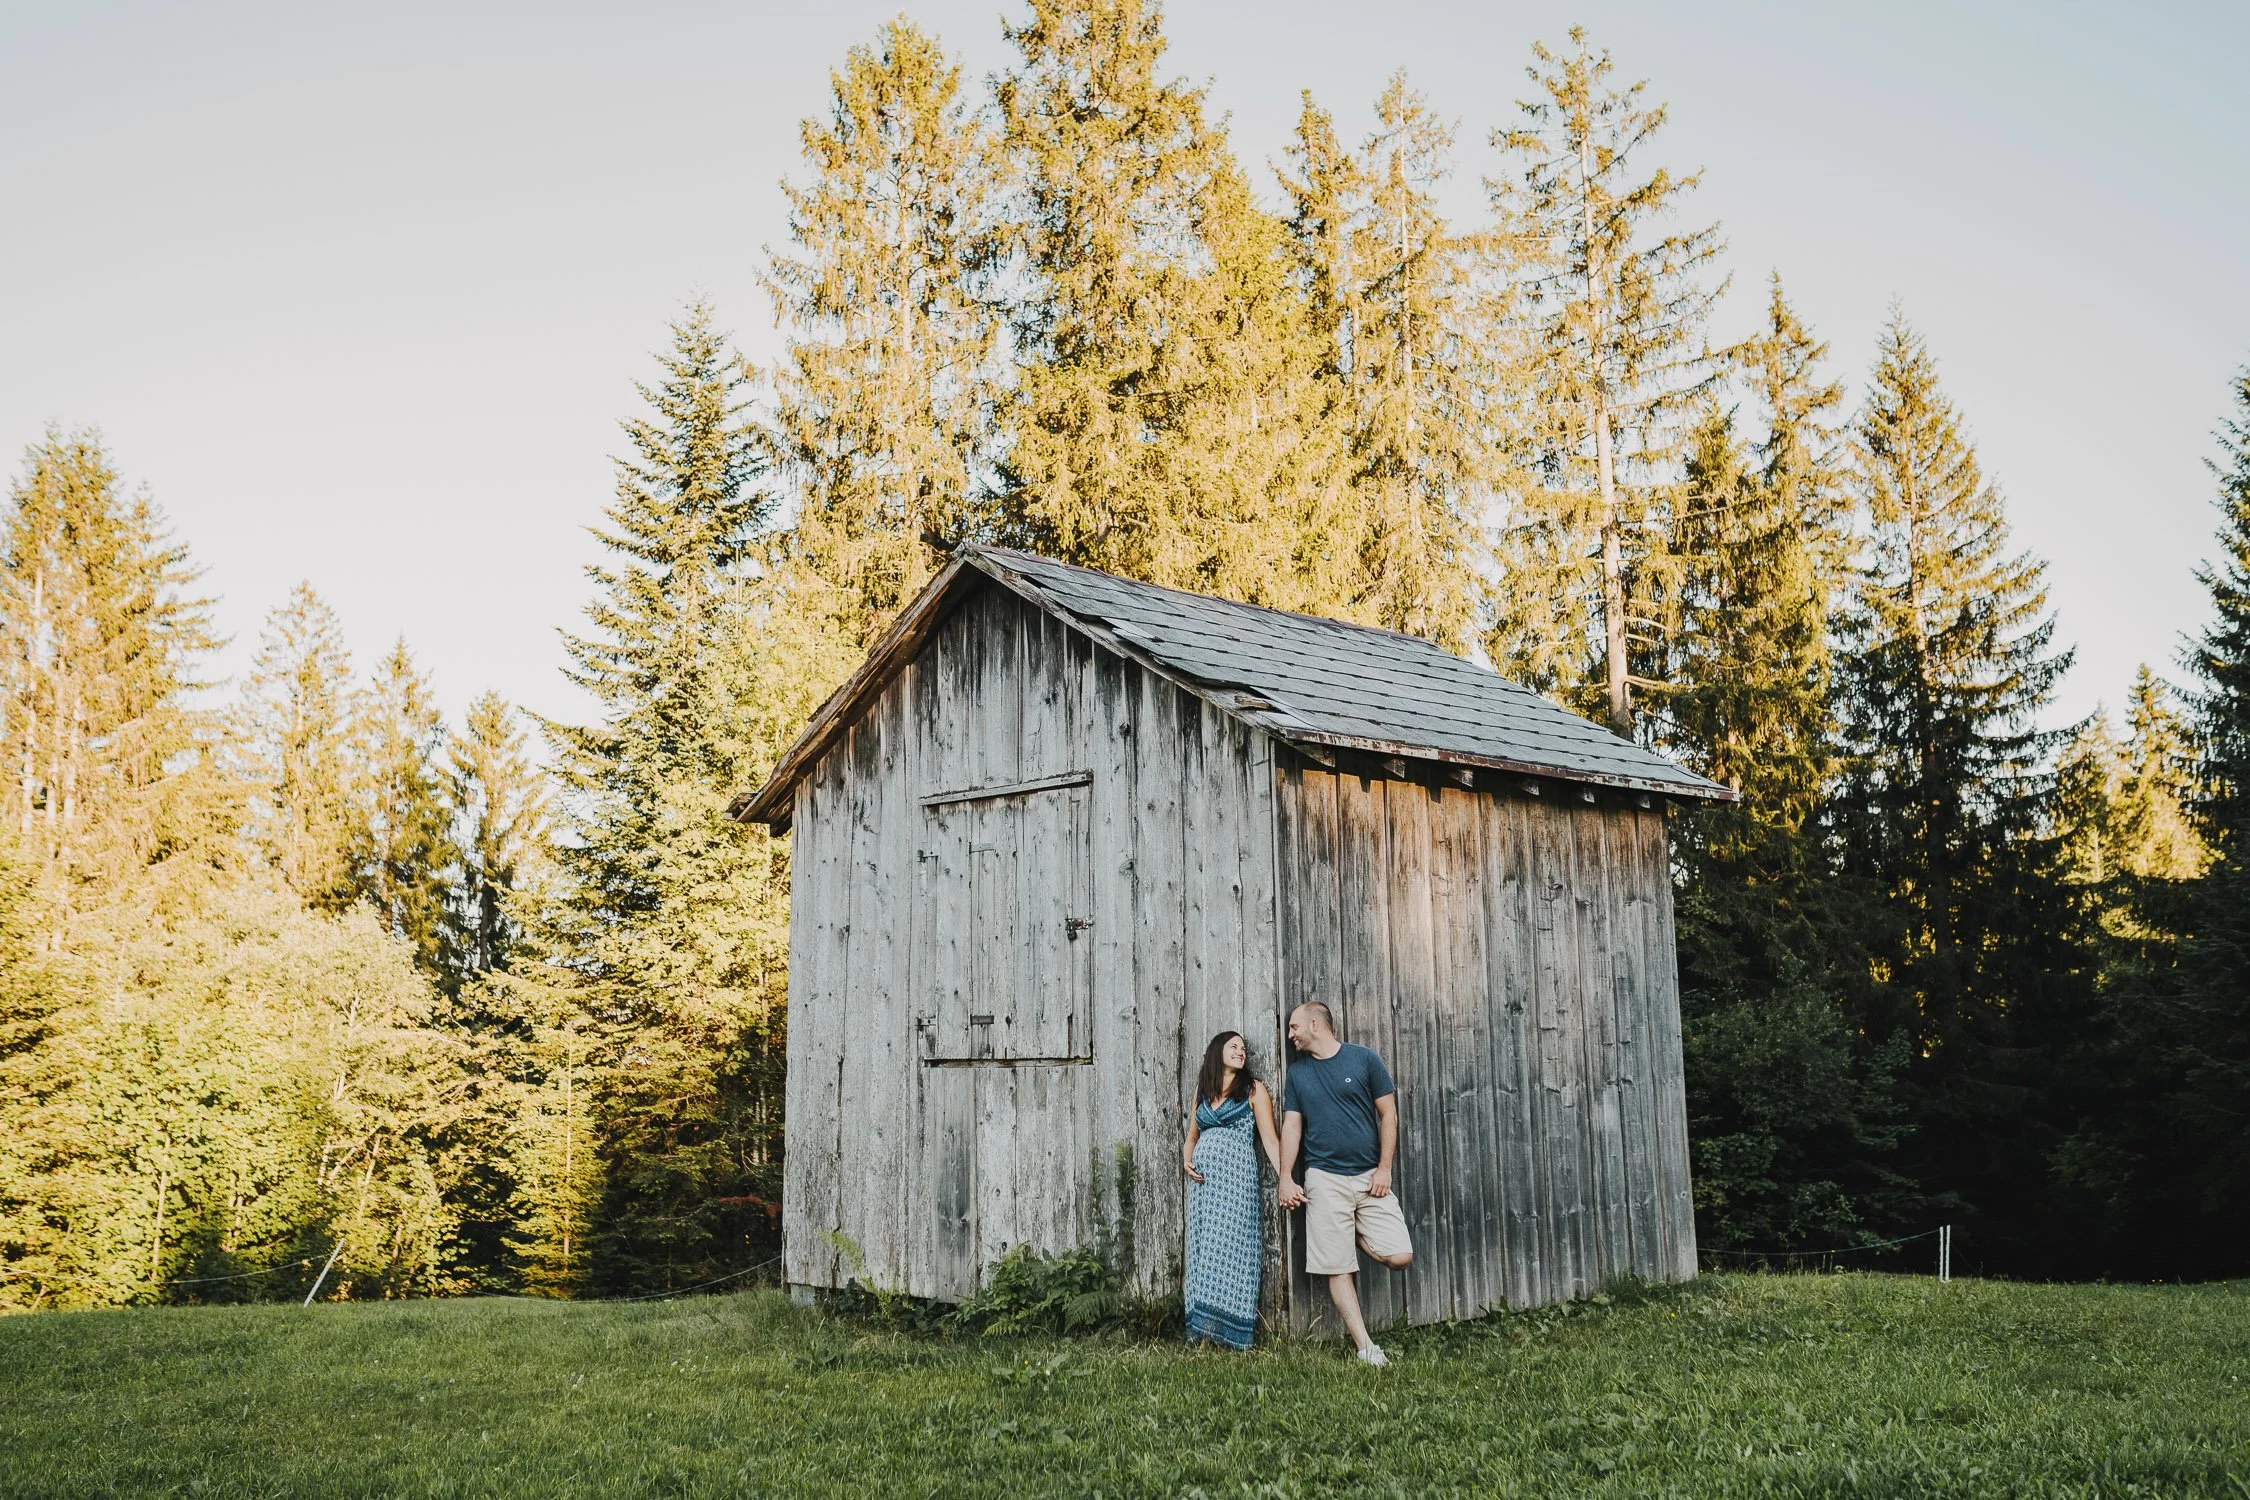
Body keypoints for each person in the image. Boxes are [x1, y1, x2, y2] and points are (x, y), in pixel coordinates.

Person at [1276, 1001, 1413, 1366]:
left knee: (1400, 1256)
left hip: (1370, 1176)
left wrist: (1384, 1169)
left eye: (1294, 1027)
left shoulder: (1364, 1059)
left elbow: (1389, 1115)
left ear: (1316, 1025)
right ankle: (1367, 1348)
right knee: (1337, 1268)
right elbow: (1292, 1126)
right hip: (1323, 1178)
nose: (1290, 1036)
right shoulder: (1298, 1075)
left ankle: (1346, 1231)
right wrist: (1285, 1178)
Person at [1181, 1030, 1284, 1349]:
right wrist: (1187, 1161)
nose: (1241, 1052)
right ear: (1217, 1052)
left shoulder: (1254, 1090)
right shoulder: (1203, 1088)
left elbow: (1269, 1139)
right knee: (1204, 1248)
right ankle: (1201, 1332)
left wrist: (1287, 1178)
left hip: (1236, 1183)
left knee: (1231, 1248)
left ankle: (1230, 1333)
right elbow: (1192, 1136)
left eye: (1244, 1049)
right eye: (1234, 1047)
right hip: (1204, 1188)